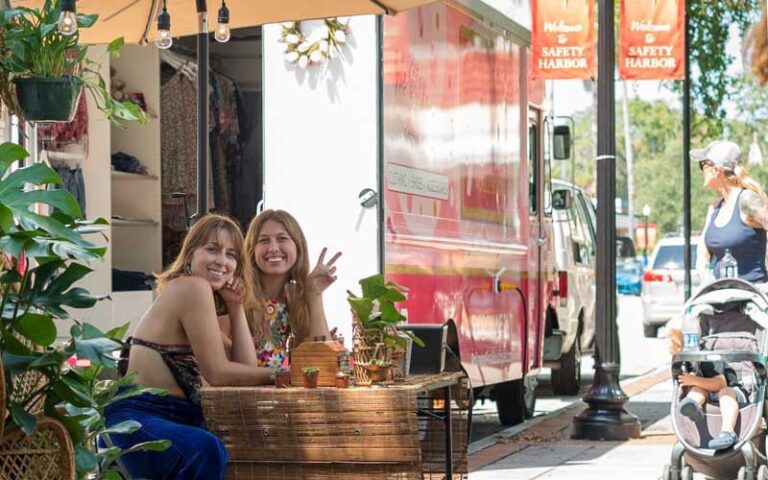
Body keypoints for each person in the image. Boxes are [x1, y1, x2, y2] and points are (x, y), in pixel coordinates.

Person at [104, 214, 273, 480]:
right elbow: (218, 373)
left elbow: (246, 371)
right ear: (191, 253)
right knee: (206, 448)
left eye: (232, 255)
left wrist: (236, 306)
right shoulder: (191, 288)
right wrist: (283, 374)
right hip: (140, 418)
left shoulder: (200, 300)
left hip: (176, 421)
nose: (222, 261)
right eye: (212, 249)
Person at [219, 209, 341, 367]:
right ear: (251, 250)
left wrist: (315, 296)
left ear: (298, 247)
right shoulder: (233, 293)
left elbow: (324, 363)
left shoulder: (299, 300)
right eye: (263, 241)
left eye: (282, 238)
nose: (273, 248)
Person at [677, 353, 749, 450]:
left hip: (731, 391)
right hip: (708, 393)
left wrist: (694, 380)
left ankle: (728, 432)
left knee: (725, 393)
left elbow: (721, 383)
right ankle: (693, 405)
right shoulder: (684, 363)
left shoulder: (709, 359)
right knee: (697, 390)